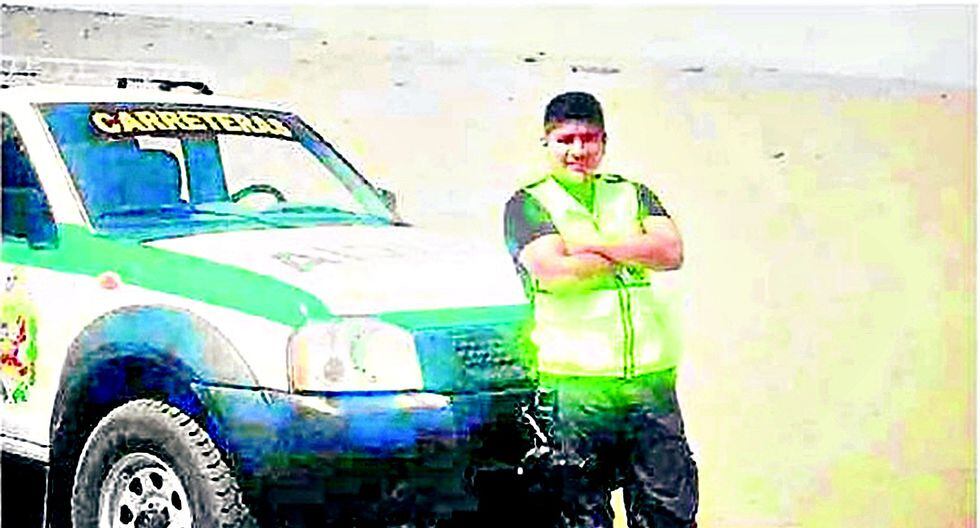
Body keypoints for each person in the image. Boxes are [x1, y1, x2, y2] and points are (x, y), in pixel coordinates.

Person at [503, 91, 698, 528]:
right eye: (565, 140)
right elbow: (555, 271)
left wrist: (590, 244)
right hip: (576, 385)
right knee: (581, 511)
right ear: (546, 143)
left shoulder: (633, 194)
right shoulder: (528, 204)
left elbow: (670, 252)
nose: (578, 150)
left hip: (649, 379)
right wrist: (634, 249)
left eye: (588, 139)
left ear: (604, 142)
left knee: (669, 507)